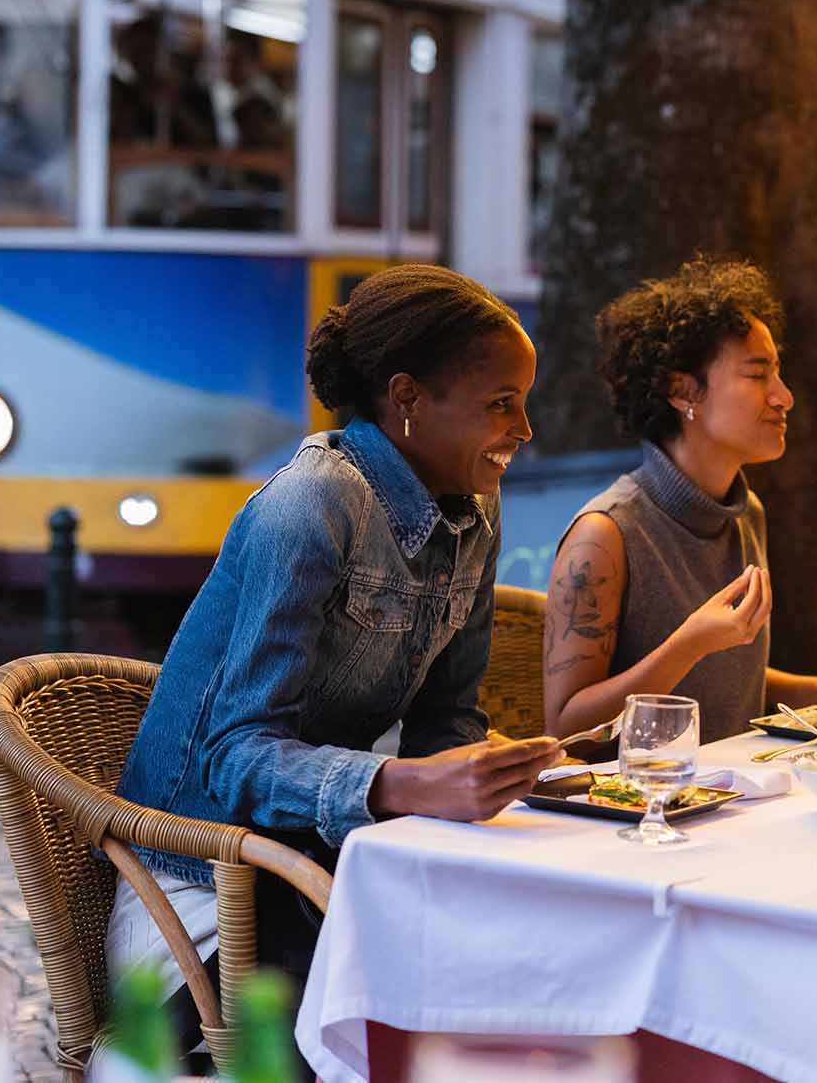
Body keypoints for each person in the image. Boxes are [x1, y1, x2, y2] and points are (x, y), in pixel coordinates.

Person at [109, 265, 563, 1032]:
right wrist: (402, 784)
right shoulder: (311, 502)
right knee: (413, 1018)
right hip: (204, 884)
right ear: (408, 398)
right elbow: (233, 756)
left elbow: (448, 718)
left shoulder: (477, 508)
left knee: (532, 977)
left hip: (320, 865)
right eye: (501, 405)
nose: (524, 431)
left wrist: (486, 774)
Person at [543, 258, 817, 743]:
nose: (784, 397)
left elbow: (724, 680)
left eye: (777, 374)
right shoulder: (606, 533)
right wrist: (690, 643)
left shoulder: (744, 514)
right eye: (758, 375)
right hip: (630, 809)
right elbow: (568, 725)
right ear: (683, 390)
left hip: (727, 800)